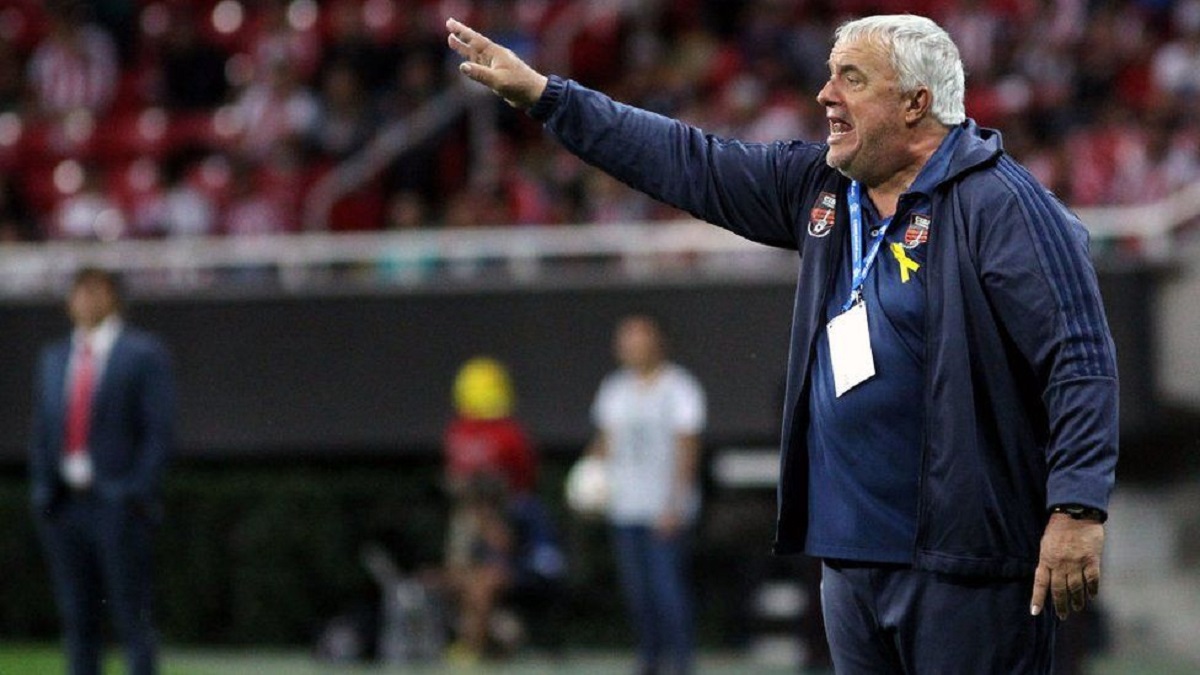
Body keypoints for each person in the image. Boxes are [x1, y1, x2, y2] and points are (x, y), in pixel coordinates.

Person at [446, 13, 1118, 674]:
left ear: (916, 103)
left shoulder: (1002, 204)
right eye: (830, 75)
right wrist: (549, 97)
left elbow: (1080, 358)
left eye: (852, 79)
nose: (826, 95)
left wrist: (1077, 507)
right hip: (850, 558)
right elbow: (686, 161)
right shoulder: (821, 188)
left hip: (967, 563)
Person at [28, 267, 176, 675]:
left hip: (118, 504)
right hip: (65, 505)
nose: (86, 299)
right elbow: (43, 430)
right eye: (78, 291)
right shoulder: (54, 357)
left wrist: (134, 492)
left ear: (114, 297)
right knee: (77, 618)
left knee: (132, 616)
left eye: (95, 290)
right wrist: (43, 492)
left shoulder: (143, 354)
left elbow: (158, 432)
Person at [584, 315, 706, 675]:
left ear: (657, 342)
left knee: (668, 591)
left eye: (638, 338)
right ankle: (649, 660)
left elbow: (688, 450)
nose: (630, 346)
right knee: (638, 593)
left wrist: (675, 504)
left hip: (663, 509)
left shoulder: (679, 387)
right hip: (626, 506)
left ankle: (681, 662)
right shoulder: (614, 388)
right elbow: (604, 442)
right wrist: (589, 480)